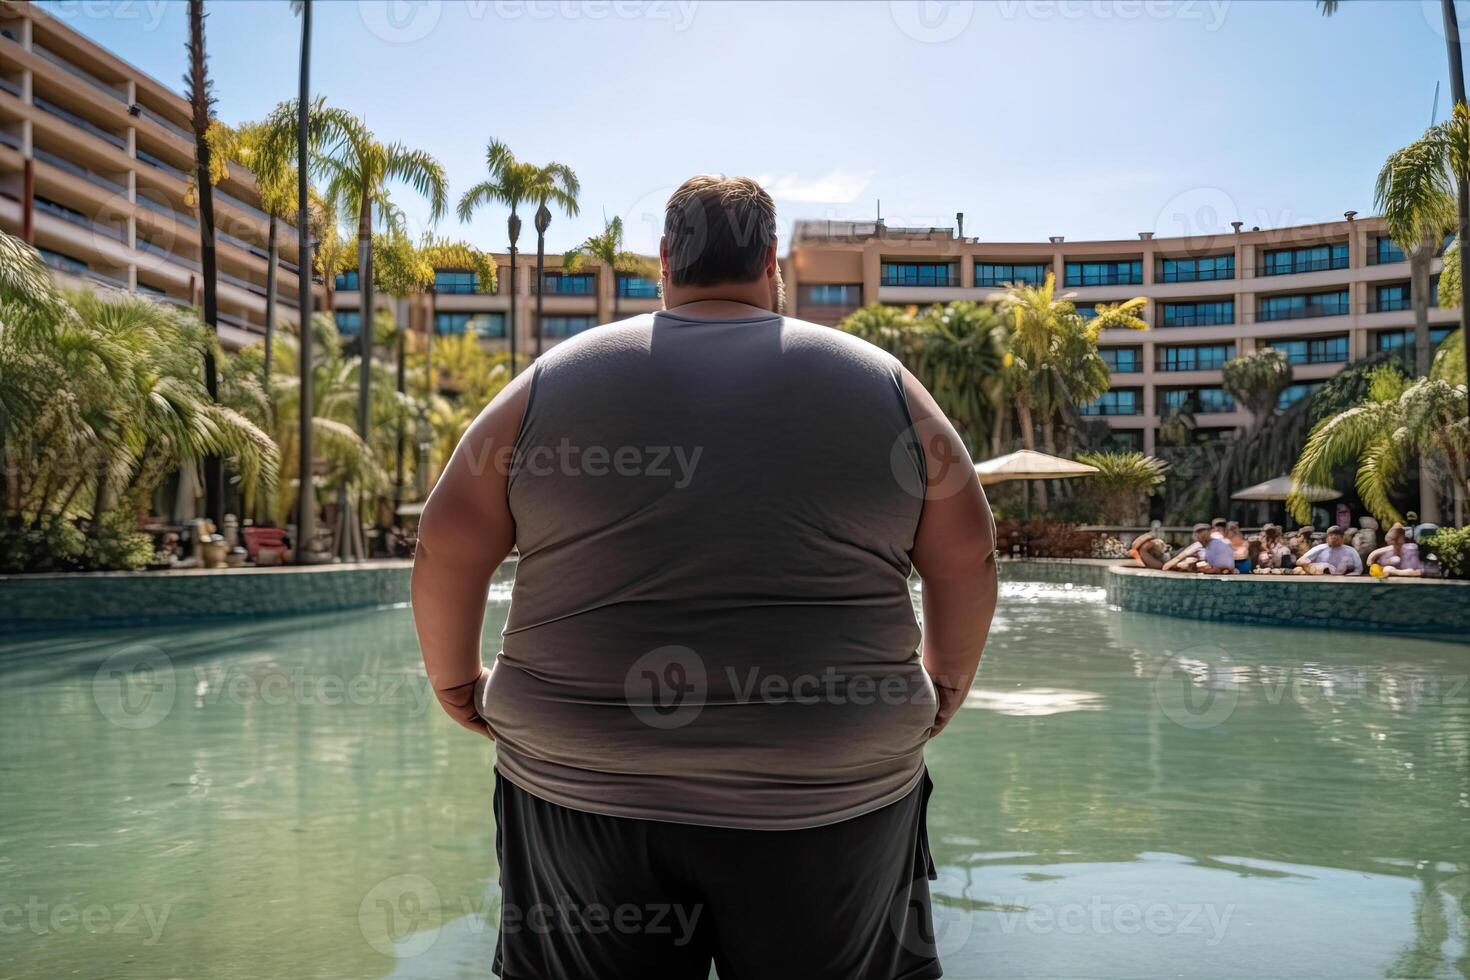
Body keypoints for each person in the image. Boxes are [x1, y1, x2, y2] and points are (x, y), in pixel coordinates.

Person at [411, 175, 997, 980]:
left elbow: (445, 543)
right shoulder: (884, 384)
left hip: (581, 784)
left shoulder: (554, 380)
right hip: (832, 792)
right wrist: (947, 682)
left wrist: (454, 681)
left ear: (663, 261)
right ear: (769, 262)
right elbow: (967, 553)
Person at [1296, 525, 1364, 576]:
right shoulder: (1320, 548)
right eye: (1331, 535)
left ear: (1342, 538)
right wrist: (1323, 566)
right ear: (1327, 538)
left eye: (1337, 535)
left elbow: (1359, 570)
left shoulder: (1351, 551)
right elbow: (1300, 561)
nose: (1333, 538)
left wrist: (1346, 577)